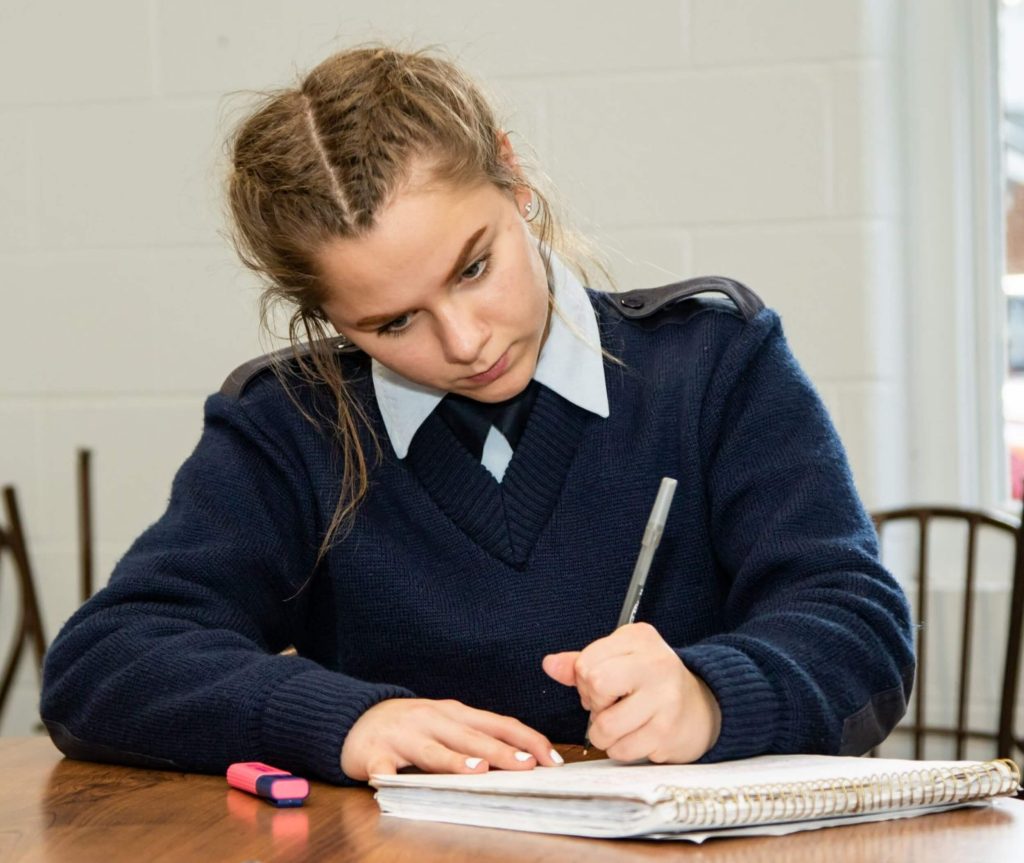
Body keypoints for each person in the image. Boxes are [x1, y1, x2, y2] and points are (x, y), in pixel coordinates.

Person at [39, 46, 915, 785]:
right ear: (328, 319)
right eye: (391, 322)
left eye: (472, 268)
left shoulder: (715, 363)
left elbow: (859, 627)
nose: (464, 341)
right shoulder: (289, 426)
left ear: (513, 174)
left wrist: (713, 694)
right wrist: (342, 718)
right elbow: (103, 662)